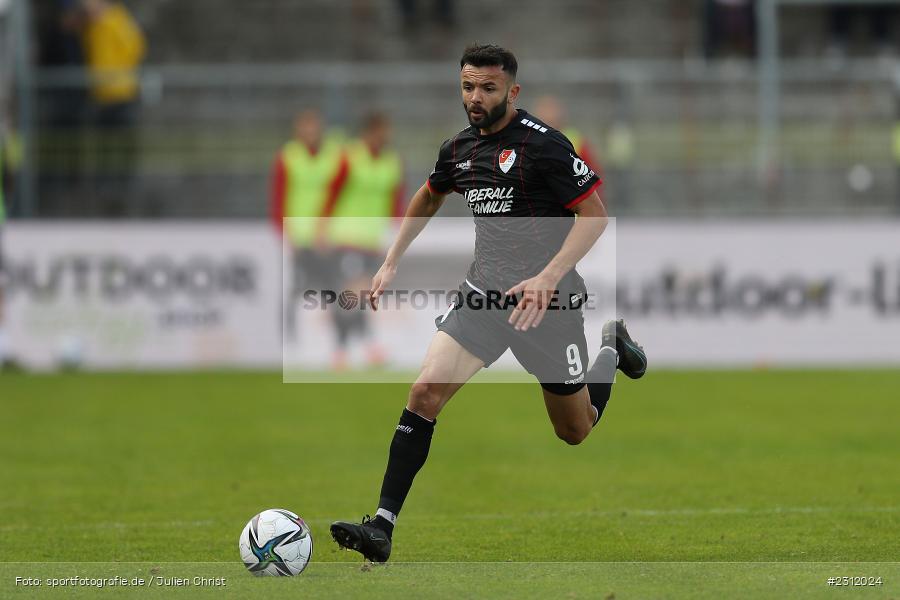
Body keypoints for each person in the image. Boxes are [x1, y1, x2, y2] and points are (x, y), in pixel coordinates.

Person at [330, 44, 648, 563]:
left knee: (575, 429)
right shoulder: (458, 149)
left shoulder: (543, 145)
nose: (475, 98)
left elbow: (593, 214)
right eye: (467, 87)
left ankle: (611, 346)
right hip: (482, 298)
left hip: (548, 306)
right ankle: (382, 527)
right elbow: (430, 193)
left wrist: (547, 277)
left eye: (487, 88)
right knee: (424, 393)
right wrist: (391, 260)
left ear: (512, 91)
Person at [320, 112, 404, 370]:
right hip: (347, 237)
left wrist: (395, 232)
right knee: (352, 293)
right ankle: (350, 348)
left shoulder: (391, 161)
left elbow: (395, 199)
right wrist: (322, 226)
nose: (385, 136)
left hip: (372, 239)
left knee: (360, 295)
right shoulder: (350, 156)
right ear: (369, 131)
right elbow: (332, 191)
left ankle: (350, 349)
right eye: (381, 131)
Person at [271, 109, 345, 341]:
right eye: (306, 128)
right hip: (298, 238)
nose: (310, 132)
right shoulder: (288, 156)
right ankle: (286, 339)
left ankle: (338, 340)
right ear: (298, 131)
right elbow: (278, 197)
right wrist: (285, 235)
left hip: (326, 238)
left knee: (333, 288)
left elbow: (340, 194)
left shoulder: (334, 154)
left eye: (314, 127)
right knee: (292, 290)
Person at [80, 0, 146, 215]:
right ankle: (105, 188)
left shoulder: (117, 19)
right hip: (101, 96)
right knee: (103, 145)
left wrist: (116, 77)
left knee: (121, 144)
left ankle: (119, 189)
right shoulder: (92, 26)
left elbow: (135, 48)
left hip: (121, 95)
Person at [533, 95, 603, 203]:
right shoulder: (528, 141)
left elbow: (593, 178)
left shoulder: (577, 140)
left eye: (552, 115)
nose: (549, 119)